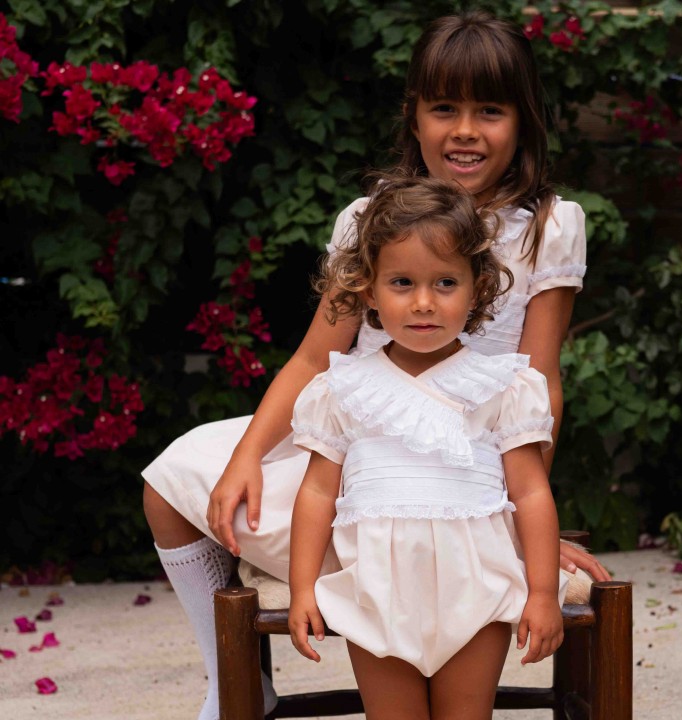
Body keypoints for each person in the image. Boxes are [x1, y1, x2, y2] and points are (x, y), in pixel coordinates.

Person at [141, 9, 610, 720]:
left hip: (470, 473)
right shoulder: (369, 220)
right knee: (173, 477)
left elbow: (539, 383)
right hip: (355, 453)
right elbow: (311, 359)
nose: (464, 131)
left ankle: (432, 561)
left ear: (523, 120)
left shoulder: (547, 225)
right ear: (414, 117)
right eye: (443, 108)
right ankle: (231, 677)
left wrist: (521, 520)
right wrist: (246, 456)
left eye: (490, 110)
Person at [288, 172, 567, 719]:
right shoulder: (342, 388)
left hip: (476, 593)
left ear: (477, 288)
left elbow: (531, 494)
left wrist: (541, 592)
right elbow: (317, 493)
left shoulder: (504, 386)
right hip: (376, 593)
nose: (423, 303)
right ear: (368, 288)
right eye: (401, 283)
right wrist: (303, 589)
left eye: (445, 283)